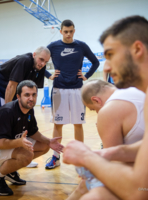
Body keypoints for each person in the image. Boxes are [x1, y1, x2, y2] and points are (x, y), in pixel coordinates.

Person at [63, 15, 148, 200]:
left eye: (111, 55)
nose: (107, 66)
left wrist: (86, 157)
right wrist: (111, 152)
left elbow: (141, 193)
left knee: (93, 196)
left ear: (137, 49)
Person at [0, 80, 64, 196]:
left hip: (12, 143)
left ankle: (9, 171)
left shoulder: (29, 109)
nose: (31, 98)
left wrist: (49, 141)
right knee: (26, 155)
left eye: (34, 95)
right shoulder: (7, 112)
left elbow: (33, 132)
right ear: (18, 96)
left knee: (44, 146)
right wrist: (19, 142)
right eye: (27, 95)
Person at [67, 79, 145, 200]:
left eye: (93, 109)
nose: (97, 113)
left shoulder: (109, 109)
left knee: (87, 188)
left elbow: (113, 163)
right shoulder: (137, 90)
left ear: (96, 100)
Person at [45, 19, 100, 169]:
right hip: (59, 89)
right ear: (61, 31)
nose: (68, 34)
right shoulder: (53, 46)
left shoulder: (81, 46)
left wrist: (86, 76)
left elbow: (96, 62)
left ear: (74, 31)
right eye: (65, 31)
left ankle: (80, 157)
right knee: (58, 124)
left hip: (77, 89)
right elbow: (38, 60)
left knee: (78, 123)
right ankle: (56, 157)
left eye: (71, 31)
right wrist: (48, 74)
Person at [0, 47, 51, 168]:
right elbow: (11, 86)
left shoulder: (41, 68)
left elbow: (31, 91)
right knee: (4, 119)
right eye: (41, 59)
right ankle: (0, 161)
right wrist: (7, 110)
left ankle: (21, 156)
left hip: (13, 90)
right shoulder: (24, 61)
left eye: (46, 61)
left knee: (20, 119)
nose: (42, 63)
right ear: (34, 54)